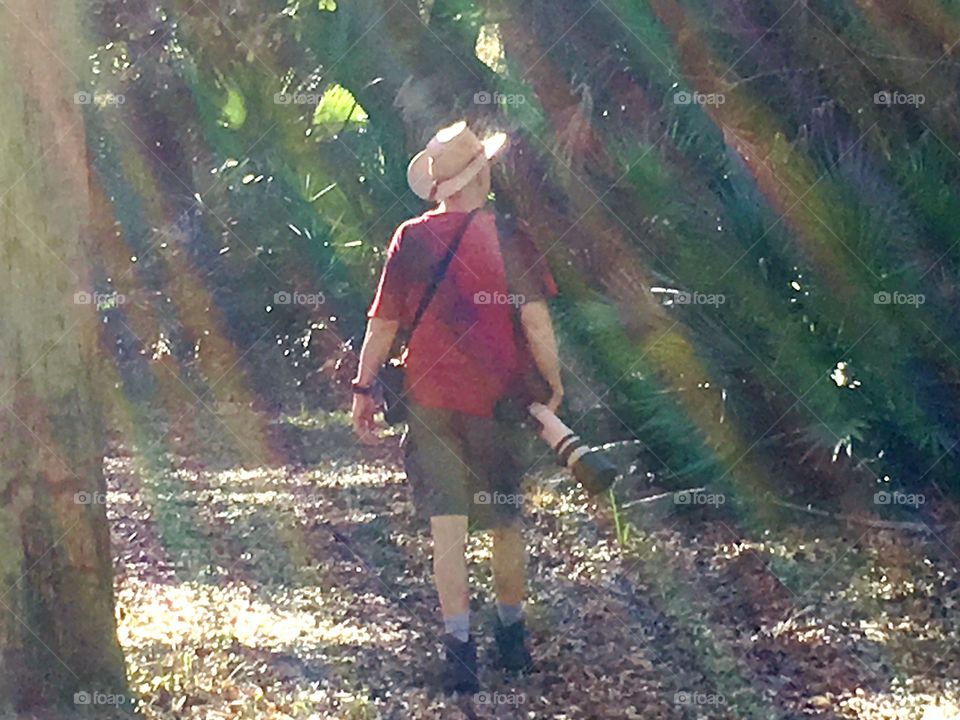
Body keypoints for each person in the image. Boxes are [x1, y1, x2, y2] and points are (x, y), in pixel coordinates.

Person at [350, 120, 563, 693]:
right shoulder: (511, 235)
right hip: (501, 402)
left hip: (429, 401)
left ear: (442, 185)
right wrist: (553, 382)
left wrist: (364, 388)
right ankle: (513, 640)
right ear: (483, 174)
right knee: (504, 520)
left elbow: (383, 323)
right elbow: (536, 319)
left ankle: (460, 649)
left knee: (447, 525)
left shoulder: (411, 240)